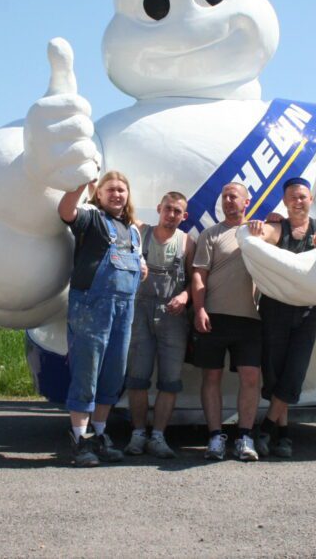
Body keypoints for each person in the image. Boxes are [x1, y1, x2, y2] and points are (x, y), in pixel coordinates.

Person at [57, 170, 147, 467]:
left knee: (113, 374)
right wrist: (82, 180)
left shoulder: (133, 230)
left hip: (124, 310)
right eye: (111, 189)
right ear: (100, 193)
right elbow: (65, 211)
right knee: (87, 371)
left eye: (122, 189)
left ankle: (99, 434)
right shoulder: (92, 218)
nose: (117, 194)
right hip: (92, 307)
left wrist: (141, 266)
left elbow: (135, 264)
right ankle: (80, 438)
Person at [247, 177, 316, 457]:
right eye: (292, 197)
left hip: (308, 312)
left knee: (294, 373)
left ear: (310, 199)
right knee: (274, 374)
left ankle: (265, 430)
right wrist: (257, 226)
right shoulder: (279, 226)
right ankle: (283, 436)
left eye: (303, 197)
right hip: (275, 310)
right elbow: (259, 237)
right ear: (285, 202)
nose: (298, 202)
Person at [192, 182, 263, 462]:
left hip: (250, 320)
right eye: (224, 197)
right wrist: (199, 309)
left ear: (247, 201)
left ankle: (245, 436)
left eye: (233, 196)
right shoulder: (210, 235)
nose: (228, 200)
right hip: (214, 317)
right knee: (211, 377)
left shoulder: (259, 233)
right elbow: (199, 276)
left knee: (251, 378)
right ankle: (215, 438)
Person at [123, 192, 196, 459]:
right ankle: (138, 433)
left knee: (170, 381)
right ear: (158, 209)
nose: (172, 215)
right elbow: (113, 210)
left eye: (177, 211)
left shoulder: (188, 243)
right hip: (139, 312)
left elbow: (195, 279)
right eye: (168, 209)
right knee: (137, 378)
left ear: (184, 216)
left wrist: (185, 296)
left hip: (173, 317)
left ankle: (158, 436)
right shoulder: (140, 231)